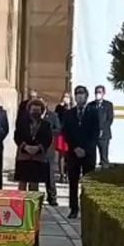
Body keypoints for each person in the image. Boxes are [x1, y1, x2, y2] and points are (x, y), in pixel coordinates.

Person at [62, 85, 99, 219]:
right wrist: (75, 148)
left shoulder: (93, 112)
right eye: (77, 94)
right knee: (73, 181)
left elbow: (95, 134)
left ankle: (88, 209)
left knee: (88, 182)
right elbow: (66, 132)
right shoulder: (69, 113)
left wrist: (85, 149)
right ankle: (73, 208)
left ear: (86, 96)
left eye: (82, 94)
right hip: (73, 153)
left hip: (88, 153)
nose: (79, 96)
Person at [14, 98, 53, 191]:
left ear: (42, 111)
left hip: (37, 158)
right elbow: (17, 137)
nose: (35, 112)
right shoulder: (22, 123)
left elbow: (48, 139)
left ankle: (33, 204)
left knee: (34, 184)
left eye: (38, 110)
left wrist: (38, 148)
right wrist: (25, 146)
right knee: (22, 183)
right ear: (29, 110)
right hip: (23, 157)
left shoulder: (46, 125)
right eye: (33, 110)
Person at [43, 100, 61, 206]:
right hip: (36, 149)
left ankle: (52, 197)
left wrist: (49, 132)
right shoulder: (33, 116)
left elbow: (58, 128)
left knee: (50, 175)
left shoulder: (53, 116)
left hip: (49, 148)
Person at [93, 85, 114, 168]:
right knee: (91, 155)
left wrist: (102, 129)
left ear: (103, 93)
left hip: (104, 135)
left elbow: (110, 119)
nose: (98, 94)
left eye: (99, 92)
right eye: (96, 92)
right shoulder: (91, 105)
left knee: (104, 155)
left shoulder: (108, 105)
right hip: (93, 135)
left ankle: (104, 171)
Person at [55, 92, 73, 183]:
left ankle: (69, 173)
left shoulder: (73, 108)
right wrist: (62, 106)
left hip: (71, 134)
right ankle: (62, 174)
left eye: (67, 97)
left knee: (70, 155)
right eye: (64, 97)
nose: (66, 98)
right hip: (62, 133)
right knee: (62, 154)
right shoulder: (59, 108)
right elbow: (57, 118)